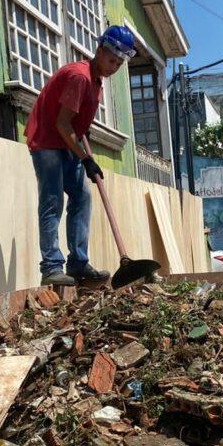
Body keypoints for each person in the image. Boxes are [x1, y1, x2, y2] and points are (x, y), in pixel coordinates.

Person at [25, 25, 135, 286]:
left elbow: (75, 120)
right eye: (111, 60)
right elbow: (62, 124)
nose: (114, 67)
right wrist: (85, 159)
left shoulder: (96, 80)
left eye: (119, 64)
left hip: (67, 142)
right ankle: (52, 267)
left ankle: (77, 263)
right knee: (52, 201)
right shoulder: (80, 77)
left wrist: (85, 140)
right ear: (99, 51)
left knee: (82, 196)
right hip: (47, 141)